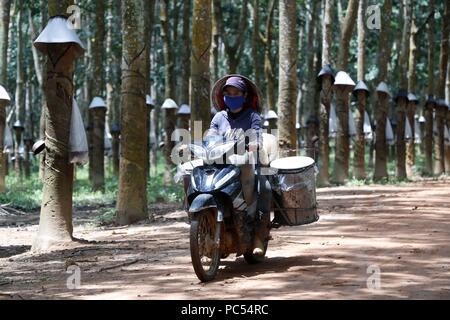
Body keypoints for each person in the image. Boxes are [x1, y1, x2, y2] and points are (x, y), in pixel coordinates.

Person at [208, 75, 271, 256]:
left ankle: (259, 236)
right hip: (222, 164)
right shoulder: (219, 117)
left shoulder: (253, 116)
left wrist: (254, 144)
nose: (231, 96)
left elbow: (257, 136)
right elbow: (210, 136)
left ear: (244, 95)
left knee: (265, 187)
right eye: (228, 93)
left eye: (236, 93)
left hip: (249, 162)